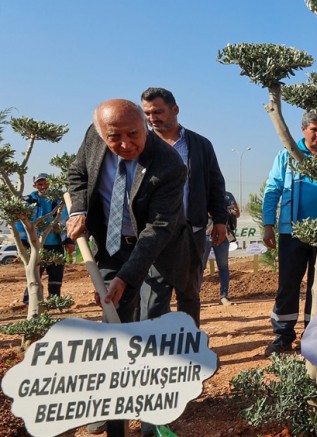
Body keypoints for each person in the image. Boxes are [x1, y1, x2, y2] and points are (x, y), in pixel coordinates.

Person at [67, 99, 202, 436]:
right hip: (113, 245)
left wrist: (128, 277)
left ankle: (152, 414)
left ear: (145, 125)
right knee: (114, 327)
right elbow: (77, 175)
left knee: (151, 325)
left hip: (158, 250)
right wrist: (78, 210)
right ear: (101, 132)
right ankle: (111, 409)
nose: (126, 144)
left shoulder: (169, 165)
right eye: (115, 137)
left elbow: (157, 230)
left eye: (134, 134)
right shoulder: (94, 137)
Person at [141, 87, 227, 320]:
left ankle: (189, 348)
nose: (152, 118)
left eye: (157, 112)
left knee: (189, 293)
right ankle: (155, 351)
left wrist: (220, 220)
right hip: (153, 232)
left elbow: (216, 183)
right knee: (154, 297)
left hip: (192, 231)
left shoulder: (199, 145)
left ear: (175, 109)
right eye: (147, 113)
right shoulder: (141, 145)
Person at [262, 112, 317, 355]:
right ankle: (283, 336)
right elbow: (272, 189)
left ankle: (315, 334)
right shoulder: (286, 155)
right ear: (303, 129)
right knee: (288, 285)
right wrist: (269, 224)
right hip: (291, 233)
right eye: (313, 130)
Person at [16, 173, 75, 303]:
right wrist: (24, 243)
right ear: (35, 185)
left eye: (46, 183)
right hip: (36, 245)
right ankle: (30, 301)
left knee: (56, 275)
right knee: (35, 274)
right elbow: (19, 223)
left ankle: (54, 300)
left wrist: (69, 240)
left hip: (56, 245)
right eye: (40, 184)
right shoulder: (27, 201)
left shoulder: (60, 201)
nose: (43, 186)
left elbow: (68, 220)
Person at [203, 191, 239, 305]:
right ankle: (195, 296)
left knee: (223, 267)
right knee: (200, 267)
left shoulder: (227, 195)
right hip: (205, 235)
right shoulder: (203, 193)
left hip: (222, 235)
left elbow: (236, 213)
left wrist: (233, 210)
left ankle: (224, 296)